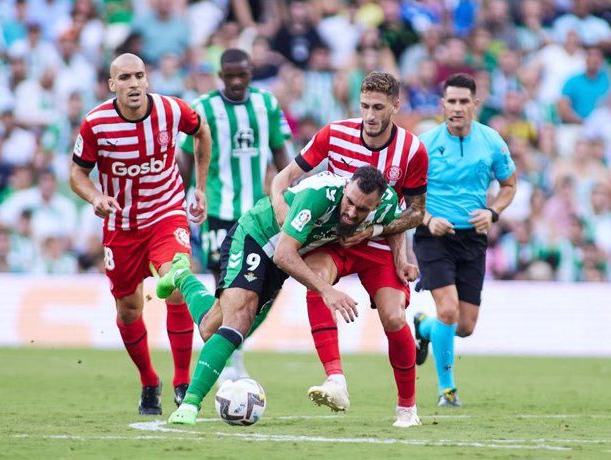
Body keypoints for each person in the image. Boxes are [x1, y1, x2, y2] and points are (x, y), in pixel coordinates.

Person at [155, 167, 415, 426]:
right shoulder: (319, 195)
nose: (351, 213)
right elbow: (283, 253)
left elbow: (395, 224)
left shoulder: (385, 203)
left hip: (281, 264)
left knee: (211, 328)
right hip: (256, 237)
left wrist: (400, 259)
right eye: (349, 202)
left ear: (377, 204)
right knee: (237, 323)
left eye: (362, 210)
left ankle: (181, 276)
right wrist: (327, 290)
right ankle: (190, 404)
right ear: (346, 187)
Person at [270, 71, 428, 427]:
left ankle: (407, 409)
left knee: (393, 317)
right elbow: (283, 178)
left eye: (378, 107)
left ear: (395, 106)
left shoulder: (412, 150)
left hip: (376, 244)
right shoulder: (334, 134)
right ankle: (335, 379)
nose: (370, 115)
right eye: (365, 106)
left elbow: (416, 212)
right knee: (316, 280)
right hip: (334, 240)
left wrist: (383, 237)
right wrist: (284, 212)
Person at [69, 53, 212, 415]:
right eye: (125, 78)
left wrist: (200, 187)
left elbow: (202, 132)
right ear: (111, 84)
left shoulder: (172, 110)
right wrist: (95, 196)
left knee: (178, 284)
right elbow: (77, 174)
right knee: (130, 310)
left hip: (166, 213)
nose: (134, 84)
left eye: (139, 76)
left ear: (147, 80)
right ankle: (150, 381)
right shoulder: (95, 124)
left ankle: (183, 381)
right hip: (121, 226)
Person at [177, 48, 292, 381]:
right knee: (225, 289)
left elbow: (282, 154)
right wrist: (178, 201)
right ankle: (227, 360)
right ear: (220, 75)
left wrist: (291, 197)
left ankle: (226, 345)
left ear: (251, 71)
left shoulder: (267, 104)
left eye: (243, 74)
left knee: (269, 291)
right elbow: (186, 156)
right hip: (218, 211)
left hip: (256, 215)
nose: (238, 81)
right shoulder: (203, 107)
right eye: (231, 76)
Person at [412, 73, 517, 407]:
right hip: (432, 238)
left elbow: (509, 185)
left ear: (475, 104)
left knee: (465, 326)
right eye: (450, 101)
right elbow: (404, 195)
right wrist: (428, 219)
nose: (456, 108)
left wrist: (493, 213)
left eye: (463, 101)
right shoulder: (425, 144)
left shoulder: (492, 141)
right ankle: (447, 389)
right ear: (442, 105)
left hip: (473, 239)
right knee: (449, 309)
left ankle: (424, 328)